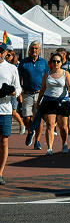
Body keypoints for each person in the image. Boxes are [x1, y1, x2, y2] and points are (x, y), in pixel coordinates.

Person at [35, 51, 70, 155]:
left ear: (61, 63)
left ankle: (64, 143)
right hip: (49, 100)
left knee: (63, 126)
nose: (56, 63)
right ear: (51, 62)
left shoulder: (65, 73)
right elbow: (42, 89)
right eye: (54, 61)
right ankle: (49, 148)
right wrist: (38, 101)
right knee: (50, 124)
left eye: (58, 61)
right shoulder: (46, 75)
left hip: (62, 101)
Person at [0, 42, 23, 185]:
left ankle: (0, 172)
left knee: (4, 141)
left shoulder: (11, 68)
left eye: (1, 51)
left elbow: (19, 88)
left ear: (5, 53)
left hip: (5, 110)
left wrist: (14, 92)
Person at [20, 41, 48, 150]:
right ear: (29, 50)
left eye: (36, 48)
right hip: (27, 93)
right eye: (32, 48)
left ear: (39, 50)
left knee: (39, 118)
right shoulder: (23, 62)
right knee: (26, 117)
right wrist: (19, 91)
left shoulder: (44, 62)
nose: (34, 50)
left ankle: (37, 141)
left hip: (39, 94)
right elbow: (19, 77)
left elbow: (47, 77)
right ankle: (30, 131)